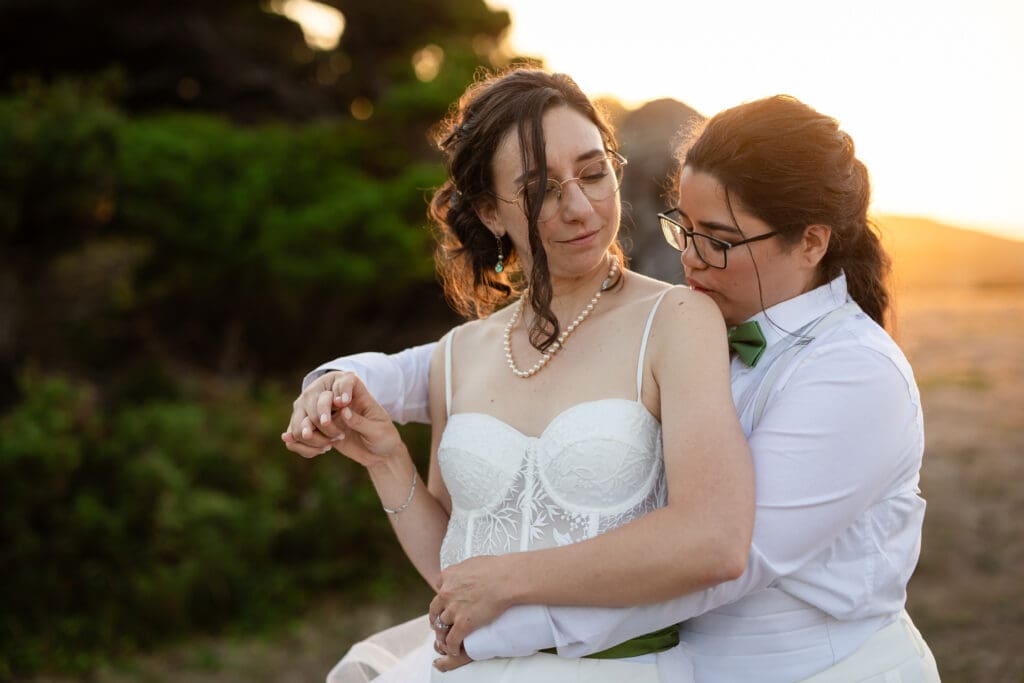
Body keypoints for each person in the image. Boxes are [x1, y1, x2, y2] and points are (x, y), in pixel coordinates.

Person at [290, 93, 942, 682]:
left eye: (716, 241)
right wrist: (338, 386)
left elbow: (725, 559)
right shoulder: (676, 318)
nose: (689, 260)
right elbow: (432, 370)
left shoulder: (854, 375)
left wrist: (504, 624)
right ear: (489, 212)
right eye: (683, 227)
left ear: (810, 244)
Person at [283, 67, 754, 682]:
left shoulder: (677, 319)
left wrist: (511, 580)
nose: (580, 207)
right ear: (490, 211)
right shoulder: (457, 354)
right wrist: (386, 461)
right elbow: (458, 580)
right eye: (540, 190)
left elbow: (714, 541)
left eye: (593, 173)